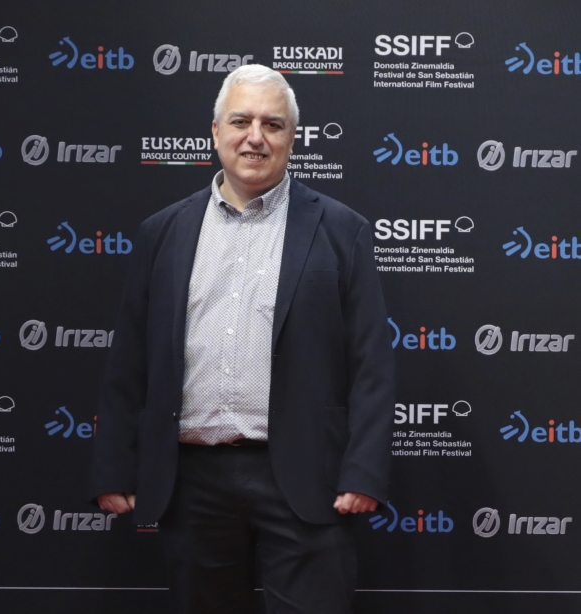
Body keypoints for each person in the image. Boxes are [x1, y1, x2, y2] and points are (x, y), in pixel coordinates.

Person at [90, 64, 395, 614]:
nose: (256, 137)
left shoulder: (341, 230)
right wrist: (114, 466)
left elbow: (371, 361)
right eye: (241, 121)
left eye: (272, 125)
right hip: (191, 484)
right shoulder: (162, 232)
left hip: (307, 479)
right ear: (215, 131)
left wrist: (364, 470)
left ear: (292, 138)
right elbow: (129, 361)